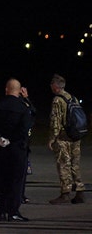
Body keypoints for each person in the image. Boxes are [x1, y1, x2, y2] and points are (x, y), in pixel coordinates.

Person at [0, 79, 34, 222]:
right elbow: (25, 128)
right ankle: (13, 211)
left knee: (2, 180)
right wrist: (13, 140)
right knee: (16, 181)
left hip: (1, 148)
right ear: (19, 91)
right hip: (18, 149)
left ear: (6, 89)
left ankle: (2, 211)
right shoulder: (23, 107)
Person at [47, 74, 85, 204]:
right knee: (75, 164)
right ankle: (79, 190)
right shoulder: (72, 98)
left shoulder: (58, 100)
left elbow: (55, 121)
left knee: (63, 163)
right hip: (75, 135)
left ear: (55, 86)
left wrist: (53, 138)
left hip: (64, 136)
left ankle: (65, 193)